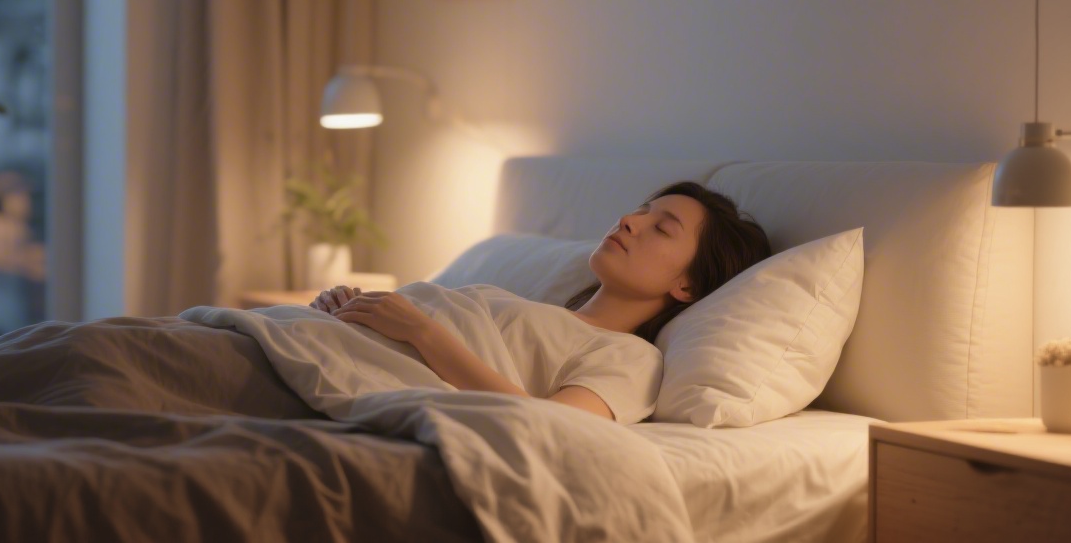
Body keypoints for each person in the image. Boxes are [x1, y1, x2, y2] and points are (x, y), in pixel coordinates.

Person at [310, 181, 771, 423]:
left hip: (343, 377)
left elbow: (552, 425)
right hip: (319, 342)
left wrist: (420, 330)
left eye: (662, 228)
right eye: (641, 211)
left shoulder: (632, 359)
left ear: (687, 288)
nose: (629, 220)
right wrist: (349, 309)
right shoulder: (521, 306)